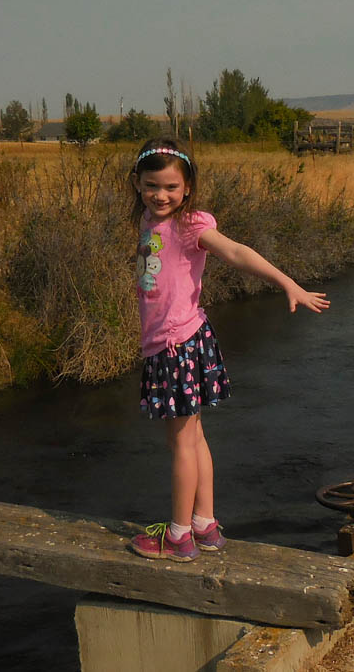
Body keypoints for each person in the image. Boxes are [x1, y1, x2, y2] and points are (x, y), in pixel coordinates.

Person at [128, 137, 330, 562]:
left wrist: (287, 283)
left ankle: (179, 536)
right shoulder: (149, 220)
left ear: (187, 188)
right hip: (179, 342)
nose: (161, 195)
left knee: (182, 444)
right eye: (151, 186)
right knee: (194, 437)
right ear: (138, 184)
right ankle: (204, 524)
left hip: (176, 346)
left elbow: (236, 252)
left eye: (170, 187)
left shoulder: (190, 226)